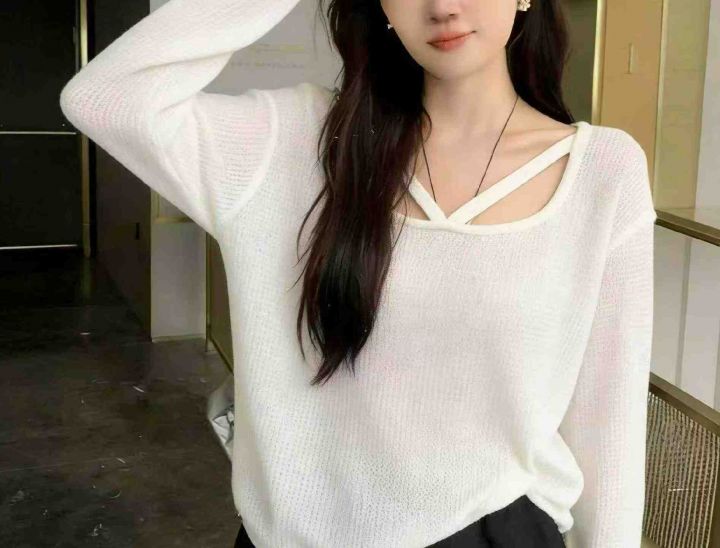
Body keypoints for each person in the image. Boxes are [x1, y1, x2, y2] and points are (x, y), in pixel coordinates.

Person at [58, 0, 657, 546]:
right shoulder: (291, 141)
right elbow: (106, 98)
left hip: (496, 530)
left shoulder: (602, 172)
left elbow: (608, 423)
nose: (442, 7)